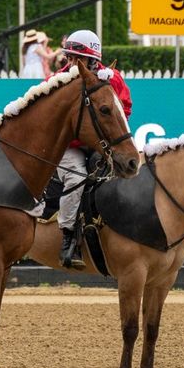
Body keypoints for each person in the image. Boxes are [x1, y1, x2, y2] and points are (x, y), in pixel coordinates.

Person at [53, 29, 132, 269]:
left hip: (101, 143)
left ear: (93, 60)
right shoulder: (57, 80)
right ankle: (68, 238)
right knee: (76, 176)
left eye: (78, 58)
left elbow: (124, 110)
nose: (72, 62)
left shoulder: (111, 78)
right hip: (70, 146)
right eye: (69, 57)